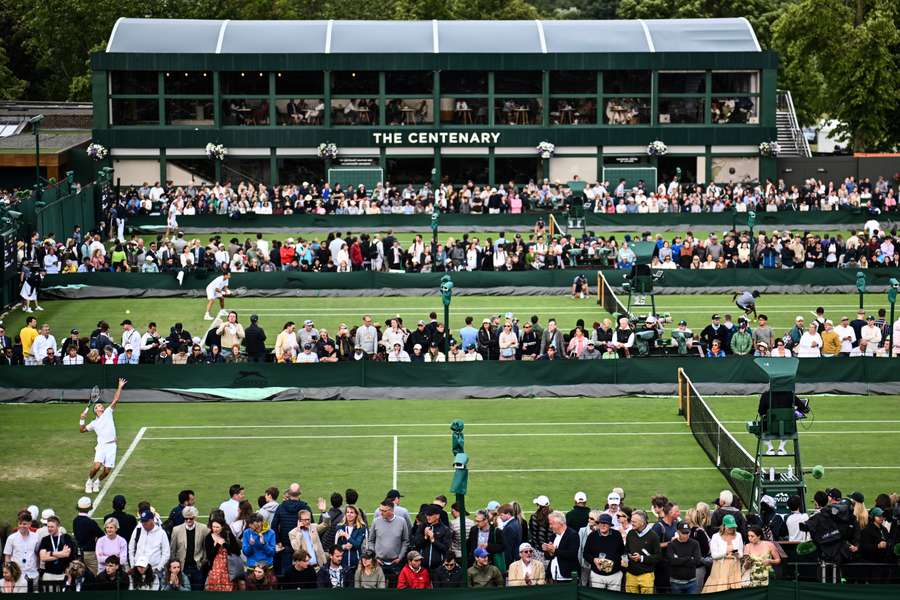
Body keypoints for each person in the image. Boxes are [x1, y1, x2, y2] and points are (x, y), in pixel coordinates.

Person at [78, 378, 126, 494]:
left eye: (100, 405)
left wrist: (120, 386)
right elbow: (82, 430)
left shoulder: (108, 412)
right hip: (101, 446)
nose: (100, 406)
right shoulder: (94, 423)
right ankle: (89, 481)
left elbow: (116, 399)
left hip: (112, 446)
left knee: (107, 470)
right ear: (95, 411)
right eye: (97, 406)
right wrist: (82, 419)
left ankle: (97, 482)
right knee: (96, 466)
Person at [169, 506, 208, 590]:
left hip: (197, 567)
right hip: (182, 568)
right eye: (186, 518)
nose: (188, 520)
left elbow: (205, 548)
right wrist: (175, 567)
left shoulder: (203, 528)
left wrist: (202, 562)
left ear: (195, 517)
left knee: (197, 592)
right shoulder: (176, 530)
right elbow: (173, 550)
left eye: (191, 518)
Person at [702, 514, 743, 593]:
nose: (732, 529)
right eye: (729, 527)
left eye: (733, 527)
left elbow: (741, 553)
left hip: (735, 568)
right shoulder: (715, 537)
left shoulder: (739, 535)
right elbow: (714, 555)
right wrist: (726, 552)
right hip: (719, 569)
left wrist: (737, 554)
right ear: (723, 526)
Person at [582, 513, 623, 590]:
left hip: (615, 575)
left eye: (606, 523)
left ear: (610, 525)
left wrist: (615, 562)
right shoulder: (592, 536)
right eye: (601, 523)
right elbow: (585, 554)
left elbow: (622, 552)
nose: (603, 525)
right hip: (597, 575)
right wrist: (594, 560)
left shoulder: (617, 535)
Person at [203, 517, 241, 592]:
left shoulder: (228, 535)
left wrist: (224, 544)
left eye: (217, 527)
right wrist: (217, 545)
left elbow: (237, 551)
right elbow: (209, 556)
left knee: (228, 588)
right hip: (215, 569)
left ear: (222, 527)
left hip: (229, 567)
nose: (215, 529)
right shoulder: (208, 537)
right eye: (213, 527)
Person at [37, 515, 74, 591]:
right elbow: (43, 557)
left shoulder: (66, 538)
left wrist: (50, 553)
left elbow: (67, 554)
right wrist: (61, 554)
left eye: (52, 527)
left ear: (58, 526)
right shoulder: (45, 539)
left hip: (63, 574)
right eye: (48, 527)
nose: (49, 529)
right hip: (48, 575)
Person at [667, 522, 703, 594]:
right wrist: (689, 558)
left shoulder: (695, 543)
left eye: (687, 533)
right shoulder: (672, 544)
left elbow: (697, 561)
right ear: (678, 532)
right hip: (676, 582)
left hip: (691, 581)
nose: (686, 535)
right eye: (683, 533)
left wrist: (679, 559)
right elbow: (672, 561)